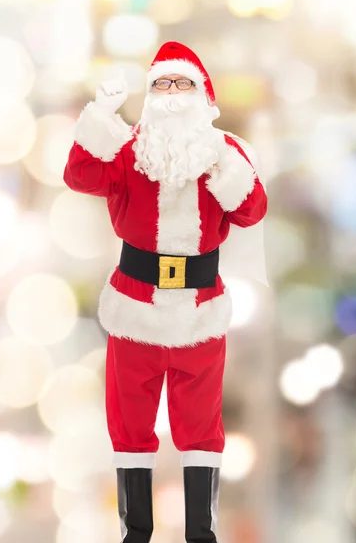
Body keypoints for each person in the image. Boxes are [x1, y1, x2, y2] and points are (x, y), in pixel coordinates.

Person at [63, 41, 268, 543]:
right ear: (150, 96)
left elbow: (251, 210)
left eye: (183, 85)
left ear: (204, 97)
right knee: (129, 422)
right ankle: (136, 530)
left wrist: (223, 165)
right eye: (163, 84)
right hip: (134, 305)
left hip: (200, 309)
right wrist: (98, 117)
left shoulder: (225, 154)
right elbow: (79, 176)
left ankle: (201, 530)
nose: (173, 95)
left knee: (201, 427)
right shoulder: (129, 149)